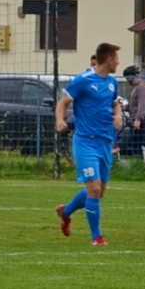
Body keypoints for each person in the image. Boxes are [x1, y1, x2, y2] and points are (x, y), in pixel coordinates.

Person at [54, 43, 124, 245]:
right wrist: (60, 120)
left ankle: (66, 211)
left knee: (99, 192)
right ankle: (97, 237)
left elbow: (115, 104)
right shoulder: (83, 80)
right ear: (109, 60)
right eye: (117, 58)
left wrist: (118, 115)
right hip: (85, 141)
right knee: (93, 188)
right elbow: (63, 103)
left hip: (105, 141)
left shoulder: (112, 82)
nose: (118, 62)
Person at [124, 64, 145, 162]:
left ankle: (144, 164)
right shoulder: (137, 87)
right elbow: (135, 104)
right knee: (136, 144)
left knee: (141, 144)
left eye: (128, 79)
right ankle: (140, 163)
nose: (128, 81)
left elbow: (142, 105)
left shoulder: (142, 87)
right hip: (137, 120)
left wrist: (138, 119)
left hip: (142, 121)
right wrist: (126, 107)